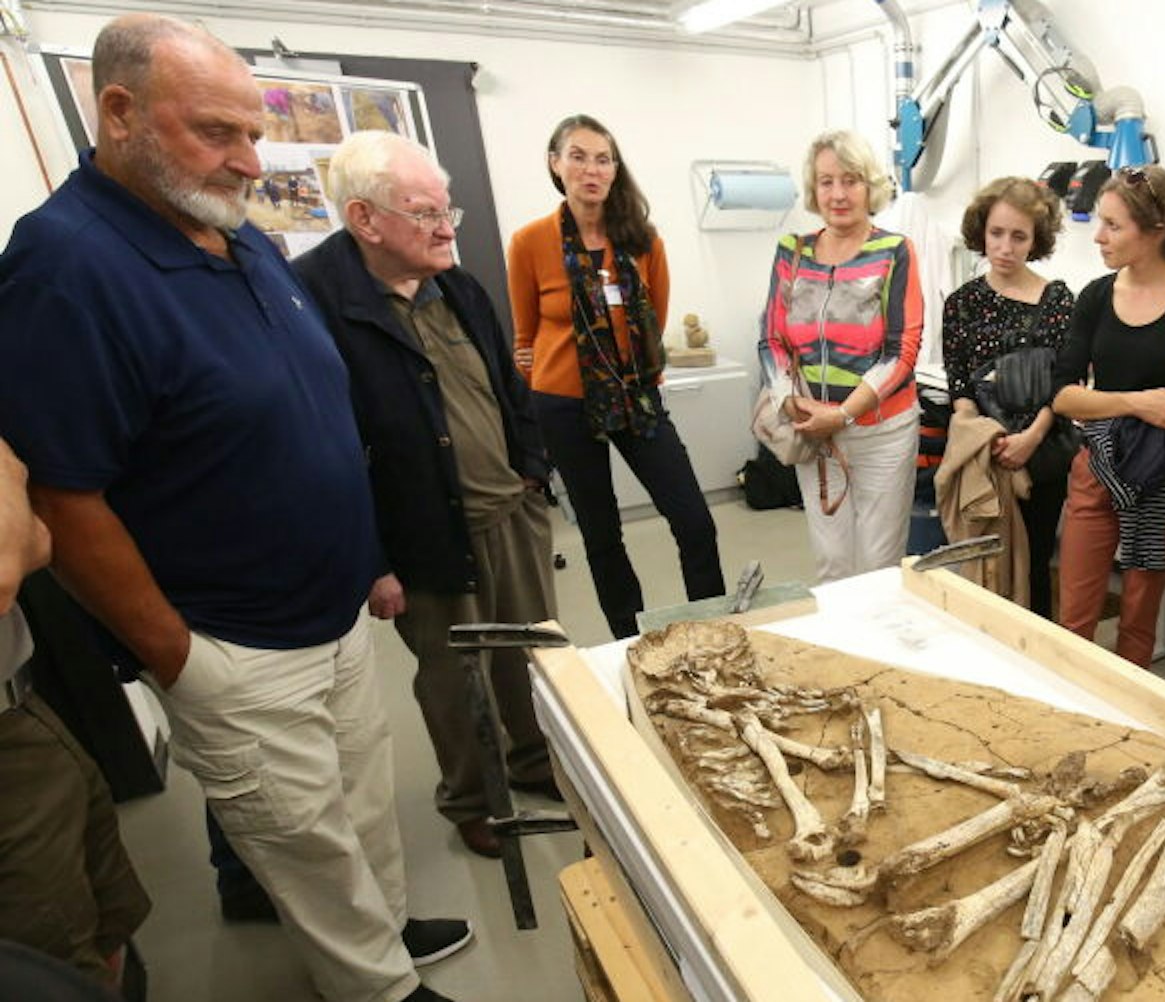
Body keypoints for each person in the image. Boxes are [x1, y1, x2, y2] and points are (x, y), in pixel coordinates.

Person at [0, 16, 467, 1002]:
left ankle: (385, 933)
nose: (250, 161)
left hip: (333, 610)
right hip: (233, 638)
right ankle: (377, 988)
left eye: (253, 133)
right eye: (217, 132)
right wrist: (176, 655)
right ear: (118, 113)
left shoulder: (233, 232)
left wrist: (364, 559)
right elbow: (64, 494)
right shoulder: (65, 266)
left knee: (360, 802)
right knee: (305, 842)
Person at [294, 130, 560, 860]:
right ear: (365, 218)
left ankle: (535, 761)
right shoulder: (315, 301)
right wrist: (373, 560)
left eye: (448, 210)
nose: (446, 228)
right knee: (455, 678)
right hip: (426, 535)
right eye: (424, 213)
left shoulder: (457, 286)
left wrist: (532, 471)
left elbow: (509, 386)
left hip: (512, 512)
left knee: (530, 654)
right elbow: (323, 444)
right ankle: (475, 800)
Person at [508, 114, 723, 638]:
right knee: (602, 535)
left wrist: (627, 369)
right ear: (555, 165)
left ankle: (712, 630)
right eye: (578, 157)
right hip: (562, 405)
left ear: (615, 168)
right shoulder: (530, 242)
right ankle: (628, 640)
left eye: (603, 159)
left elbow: (655, 320)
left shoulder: (642, 240)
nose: (592, 170)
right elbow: (525, 338)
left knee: (694, 519)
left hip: (636, 397)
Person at [1050, 166, 1165, 667]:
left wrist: (1105, 402)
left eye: (1113, 225)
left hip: (1159, 476)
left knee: (1139, 621)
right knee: (1075, 618)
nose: (1098, 236)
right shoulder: (1096, 296)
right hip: (1096, 469)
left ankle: (1128, 708)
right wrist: (1137, 402)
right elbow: (1062, 396)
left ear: (1157, 229)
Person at [0, 436, 150, 993]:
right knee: (53, 954)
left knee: (104, 920)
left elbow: (37, 539)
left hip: (24, 707)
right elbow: (5, 566)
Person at [761, 129, 925, 582]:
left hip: (882, 433)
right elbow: (771, 339)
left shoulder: (893, 251)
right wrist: (790, 400)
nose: (838, 194)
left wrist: (844, 414)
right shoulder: (792, 253)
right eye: (826, 181)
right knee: (831, 561)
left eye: (850, 180)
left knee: (878, 563)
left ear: (869, 185)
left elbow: (902, 350)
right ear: (813, 189)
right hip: (814, 431)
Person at [941, 177, 1075, 617]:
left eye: (1019, 236)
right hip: (984, 455)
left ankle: (1031, 646)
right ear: (981, 231)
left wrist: (1030, 438)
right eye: (996, 233)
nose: (1005, 247)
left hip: (1042, 453)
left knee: (1034, 563)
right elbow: (960, 384)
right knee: (982, 562)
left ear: (1036, 240)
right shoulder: (961, 303)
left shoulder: (1058, 301)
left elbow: (1065, 384)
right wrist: (984, 436)